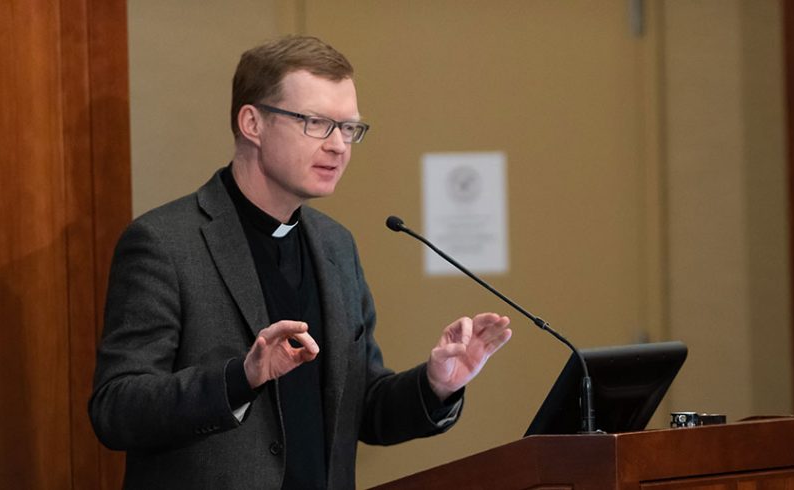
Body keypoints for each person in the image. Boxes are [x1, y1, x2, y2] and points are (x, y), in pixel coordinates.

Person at [88, 35, 512, 489]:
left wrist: (436, 384)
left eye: (349, 128)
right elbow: (117, 409)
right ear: (252, 122)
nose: (338, 146)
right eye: (316, 123)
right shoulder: (165, 243)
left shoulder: (336, 246)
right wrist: (242, 377)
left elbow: (364, 409)